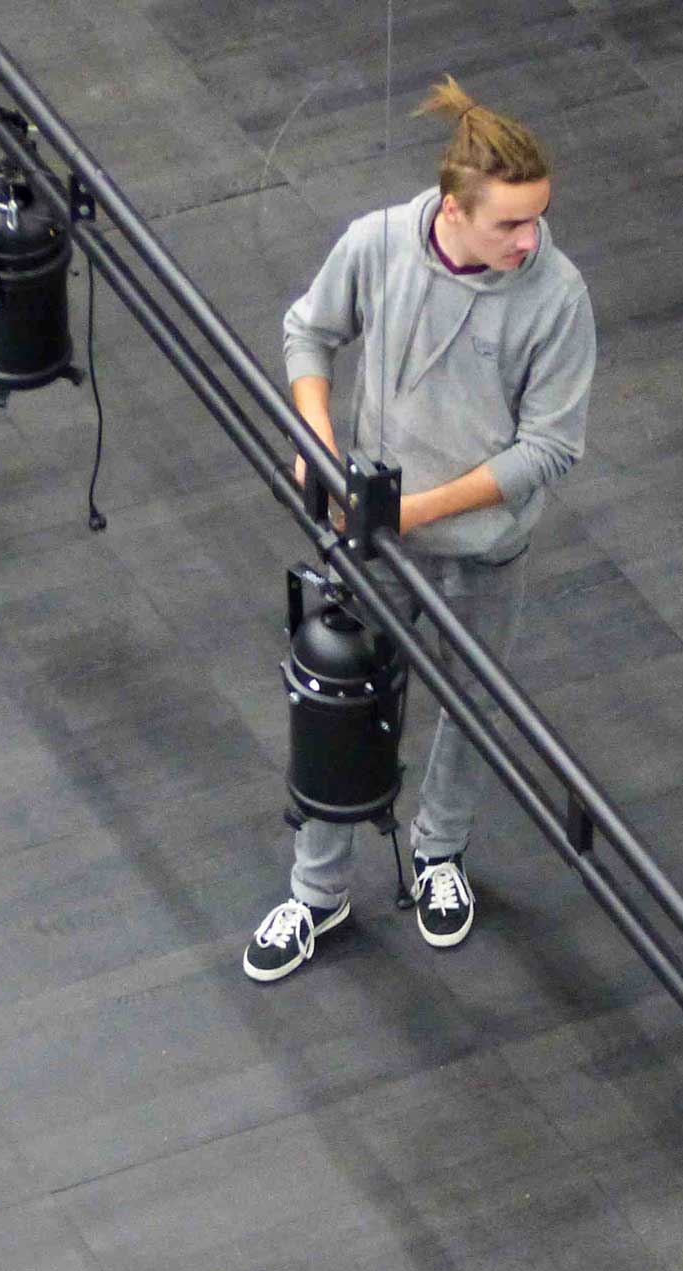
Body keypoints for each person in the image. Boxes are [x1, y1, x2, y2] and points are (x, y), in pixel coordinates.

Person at [245, 76, 596, 983]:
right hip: (376, 545)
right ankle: (316, 893)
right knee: (338, 698)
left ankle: (438, 855)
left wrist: (421, 509)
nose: (530, 241)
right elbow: (308, 333)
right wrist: (318, 444)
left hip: (479, 550)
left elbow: (550, 447)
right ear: (453, 208)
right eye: (510, 224)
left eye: (537, 220)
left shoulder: (557, 297)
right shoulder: (376, 245)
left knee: (470, 709)